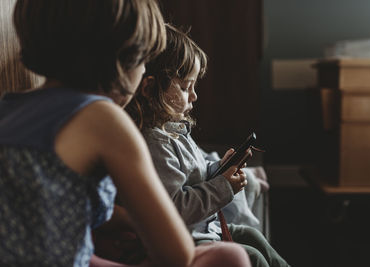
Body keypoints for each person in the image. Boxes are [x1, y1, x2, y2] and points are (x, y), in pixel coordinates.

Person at [0, 1, 251, 266]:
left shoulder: (8, 109)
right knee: (229, 256)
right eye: (144, 60)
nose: (145, 72)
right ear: (120, 60)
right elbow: (176, 255)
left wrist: (129, 220)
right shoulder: (106, 120)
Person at [126, 24, 290, 267]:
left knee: (253, 236)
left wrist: (217, 169)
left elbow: (194, 177)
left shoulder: (175, 131)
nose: (193, 96)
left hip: (203, 229)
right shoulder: (154, 145)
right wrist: (222, 187)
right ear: (149, 88)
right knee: (252, 257)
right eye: (184, 87)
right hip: (184, 239)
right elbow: (174, 209)